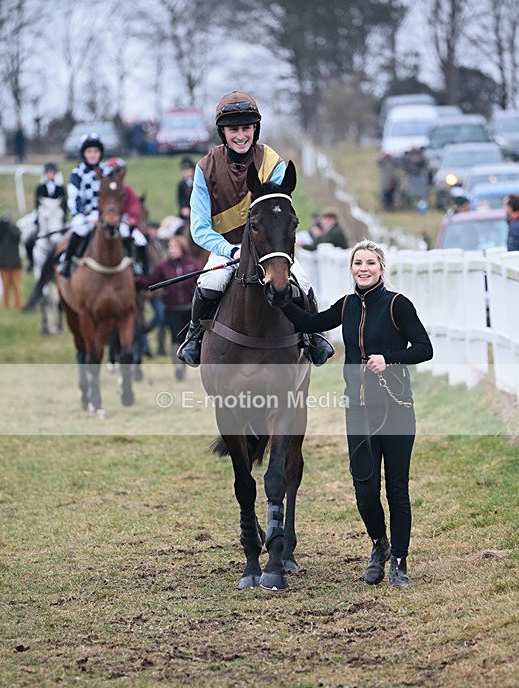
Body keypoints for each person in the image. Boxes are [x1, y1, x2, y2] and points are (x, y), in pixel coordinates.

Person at [280, 239, 433, 588]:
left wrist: (389, 358)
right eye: (358, 263)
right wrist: (281, 300)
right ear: (351, 269)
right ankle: (379, 545)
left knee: (397, 489)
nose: (363, 268)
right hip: (358, 409)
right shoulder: (348, 305)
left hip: (396, 409)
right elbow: (312, 321)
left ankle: (399, 561)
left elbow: (425, 348)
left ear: (381, 268)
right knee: (364, 489)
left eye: (370, 263)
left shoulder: (398, 304)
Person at [177, 90, 334, 367]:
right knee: (208, 283)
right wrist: (229, 249)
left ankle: (314, 336)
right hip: (226, 247)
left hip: (270, 249)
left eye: (246, 128)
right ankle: (194, 336)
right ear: (222, 132)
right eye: (233, 129)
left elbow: (279, 213)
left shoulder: (272, 162)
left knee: (304, 284)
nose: (241, 135)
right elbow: (199, 227)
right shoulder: (205, 168)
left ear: (255, 129)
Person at [136, 235, 198, 379]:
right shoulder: (162, 267)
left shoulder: (192, 264)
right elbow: (150, 281)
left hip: (189, 309)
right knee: (176, 339)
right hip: (172, 309)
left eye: (175, 247)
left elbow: (201, 281)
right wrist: (136, 281)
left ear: (182, 248)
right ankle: (179, 369)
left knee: (186, 339)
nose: (172, 250)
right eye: (170, 247)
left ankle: (184, 366)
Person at [58, 133, 111, 278]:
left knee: (126, 232)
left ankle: (135, 264)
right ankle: (67, 262)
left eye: (95, 151)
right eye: (89, 152)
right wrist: (87, 215)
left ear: (100, 153)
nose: (93, 155)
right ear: (83, 154)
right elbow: (74, 199)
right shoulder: (77, 173)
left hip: (106, 214)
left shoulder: (108, 172)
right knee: (80, 229)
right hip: (85, 215)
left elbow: (113, 196)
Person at [104, 157, 149, 272]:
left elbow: (133, 205)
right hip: (107, 221)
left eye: (119, 171)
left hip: (123, 221)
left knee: (141, 240)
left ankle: (139, 267)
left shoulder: (126, 189)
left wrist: (132, 219)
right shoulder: (104, 190)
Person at [23, 163, 68, 268]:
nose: (50, 175)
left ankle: (67, 260)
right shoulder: (40, 188)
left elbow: (64, 205)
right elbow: (37, 205)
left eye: (52, 173)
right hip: (43, 219)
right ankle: (31, 261)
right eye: (49, 172)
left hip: (58, 220)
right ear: (46, 174)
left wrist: (63, 220)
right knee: (27, 238)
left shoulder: (60, 188)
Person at [0, 213, 23, 308]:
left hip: (14, 263)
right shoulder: (0, 231)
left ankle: (17, 304)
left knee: (16, 285)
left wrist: (10, 226)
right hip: (4, 263)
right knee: (5, 285)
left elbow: (18, 235)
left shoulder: (13, 230)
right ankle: (6, 303)